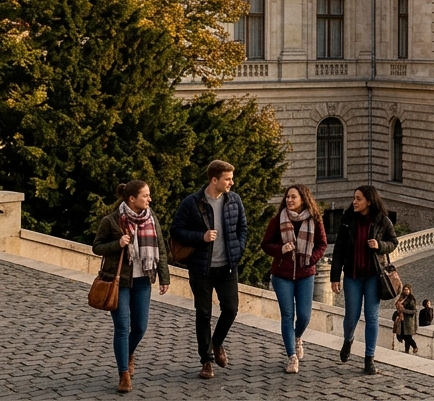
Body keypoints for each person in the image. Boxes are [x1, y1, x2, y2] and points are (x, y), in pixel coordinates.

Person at [171, 160, 248, 380]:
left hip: (227, 267)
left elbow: (243, 228)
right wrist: (201, 237)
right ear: (214, 180)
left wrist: (238, 249)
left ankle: (217, 342)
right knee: (203, 314)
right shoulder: (192, 203)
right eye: (227, 179)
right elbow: (176, 230)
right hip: (201, 269)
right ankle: (206, 361)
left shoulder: (234, 200)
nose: (231, 182)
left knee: (231, 309)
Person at [93, 180, 172, 394]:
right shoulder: (111, 221)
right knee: (122, 327)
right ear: (131, 199)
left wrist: (164, 277)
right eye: (145, 196)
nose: (149, 199)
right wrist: (117, 244)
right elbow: (96, 247)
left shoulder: (151, 217)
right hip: (118, 281)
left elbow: (161, 248)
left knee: (140, 327)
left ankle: (128, 353)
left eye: (148, 195)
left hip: (143, 280)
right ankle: (124, 374)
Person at [330, 184, 399, 376]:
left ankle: (369, 358)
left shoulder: (381, 220)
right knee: (351, 316)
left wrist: (379, 245)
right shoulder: (347, 219)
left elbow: (393, 242)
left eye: (358, 199)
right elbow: (339, 249)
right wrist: (335, 277)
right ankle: (348, 339)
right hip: (352, 276)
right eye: (354, 198)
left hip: (373, 277)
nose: (355, 202)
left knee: (372, 317)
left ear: (369, 201)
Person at [259, 183, 327, 374]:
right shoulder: (277, 220)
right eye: (287, 197)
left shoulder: (314, 220)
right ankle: (291, 357)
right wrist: (281, 250)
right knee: (287, 315)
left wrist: (311, 259)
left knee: (304, 315)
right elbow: (265, 245)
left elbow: (322, 244)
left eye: (293, 197)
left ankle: (297, 337)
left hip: (306, 274)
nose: (289, 200)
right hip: (282, 275)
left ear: (303, 199)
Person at [394, 284, 419, 354]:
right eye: (404, 290)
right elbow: (397, 305)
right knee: (404, 336)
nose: (406, 291)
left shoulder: (411, 299)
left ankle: (414, 347)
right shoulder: (402, 297)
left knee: (407, 337)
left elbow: (414, 311)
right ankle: (407, 350)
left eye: (407, 290)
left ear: (410, 290)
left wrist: (404, 310)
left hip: (408, 322)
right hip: (402, 320)